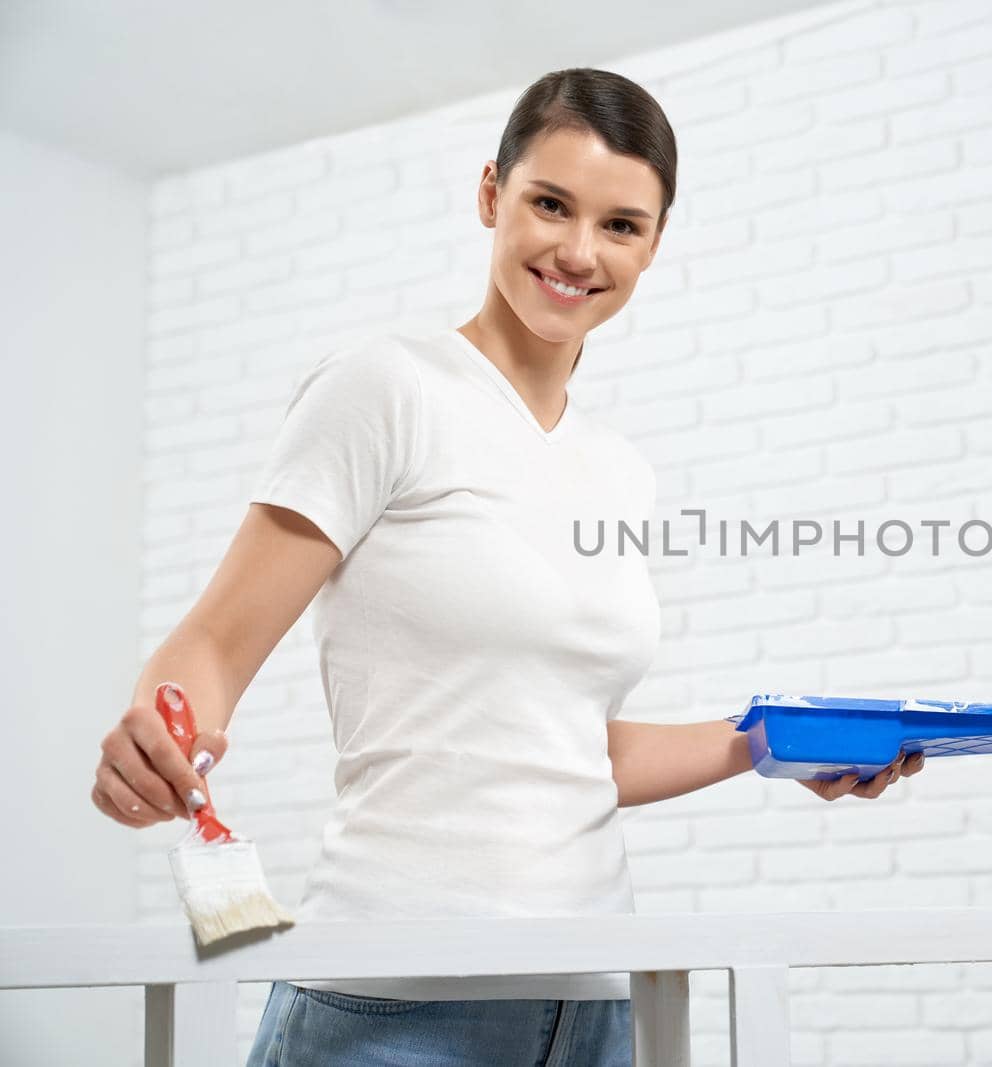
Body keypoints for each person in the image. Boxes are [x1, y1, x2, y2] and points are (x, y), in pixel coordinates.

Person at [90, 67, 925, 1066]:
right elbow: (215, 644)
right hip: (393, 1006)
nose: (578, 251)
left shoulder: (618, 468)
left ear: (655, 244)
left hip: (597, 1000)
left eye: (621, 225)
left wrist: (776, 741)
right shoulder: (386, 388)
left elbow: (560, 747)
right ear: (491, 195)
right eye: (549, 204)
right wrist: (165, 724)